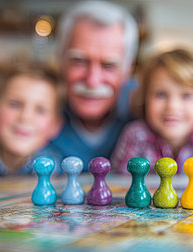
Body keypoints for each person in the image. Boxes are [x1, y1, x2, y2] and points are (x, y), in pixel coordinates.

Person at [51, 1, 139, 172]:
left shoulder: (148, 112)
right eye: (79, 61)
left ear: (128, 70)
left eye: (108, 65)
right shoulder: (34, 111)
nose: (92, 80)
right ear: (60, 61)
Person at [111, 49, 193, 175]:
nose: (172, 106)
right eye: (161, 94)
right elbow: (121, 185)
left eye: (186, 95)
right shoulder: (135, 135)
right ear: (145, 99)